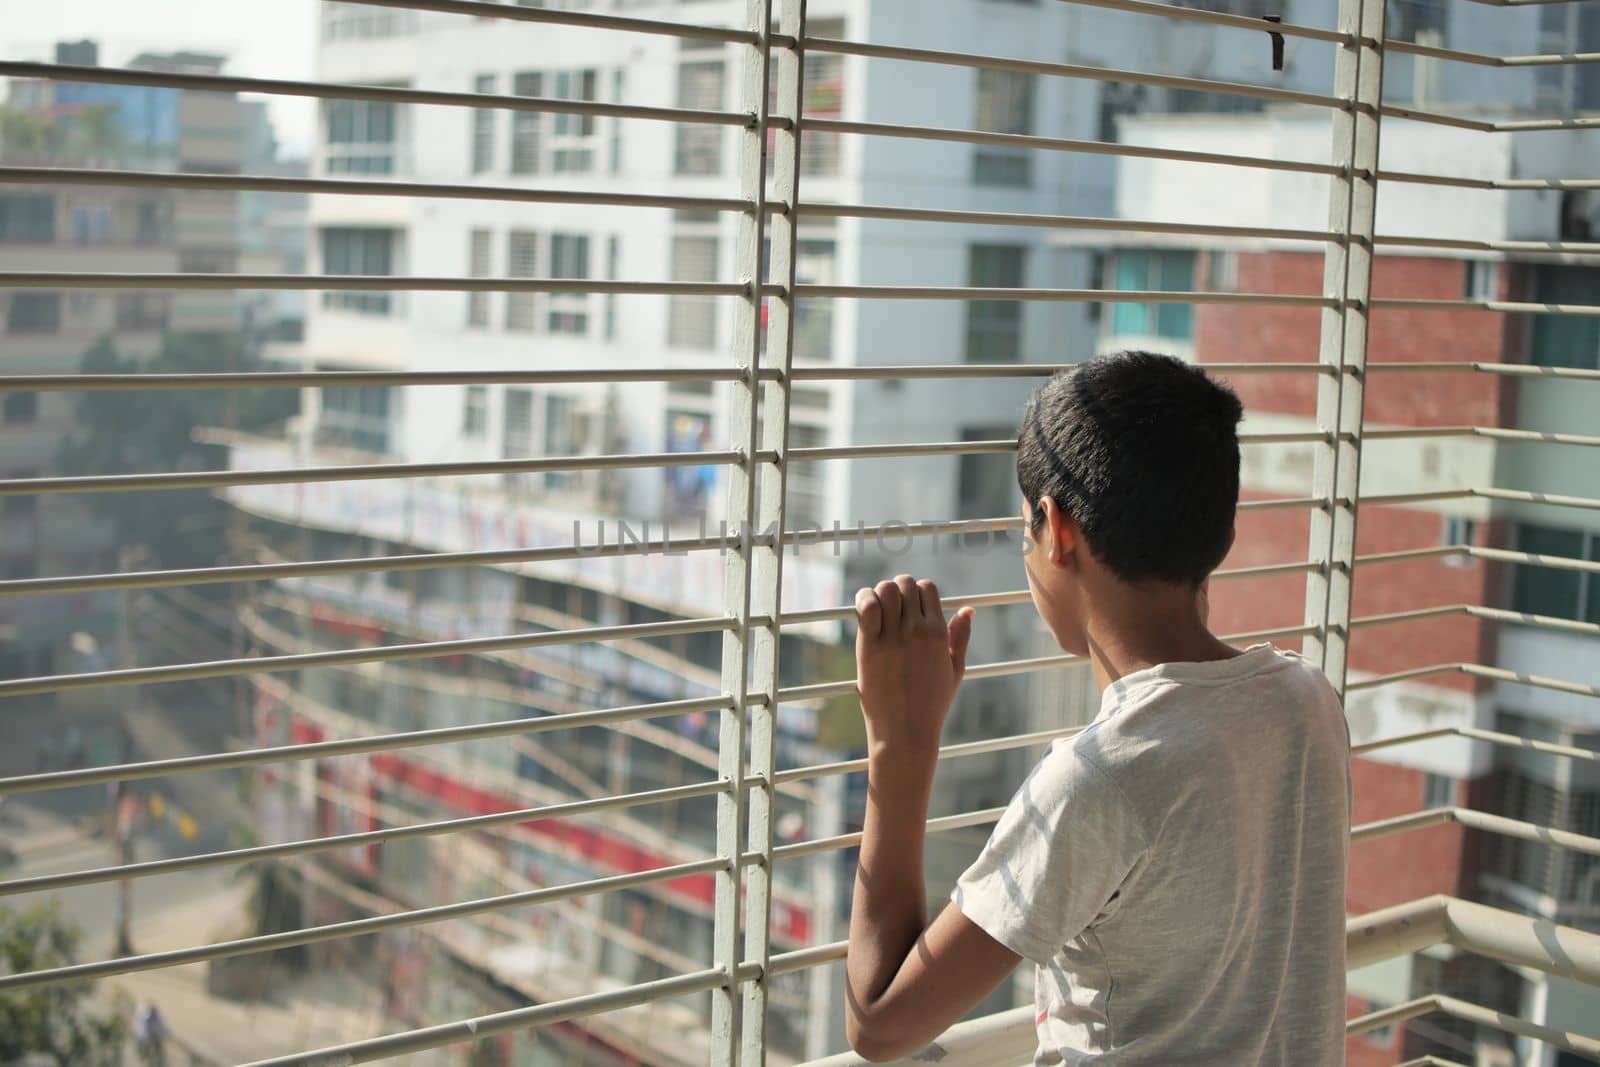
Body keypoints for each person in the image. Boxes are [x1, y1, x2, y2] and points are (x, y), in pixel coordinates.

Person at [843, 351, 1351, 1064]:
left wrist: (902, 743)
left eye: (1026, 529)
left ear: (1059, 529)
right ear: (1222, 533)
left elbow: (879, 1024)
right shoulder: (1308, 702)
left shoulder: (1100, 779)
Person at [134, 1001, 167, 1067]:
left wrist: (162, 1035)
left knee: (158, 1048)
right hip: (145, 1037)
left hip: (153, 1036)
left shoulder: (158, 1017)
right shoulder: (145, 1018)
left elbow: (162, 1027)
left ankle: (159, 1060)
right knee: (146, 1048)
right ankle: (144, 1056)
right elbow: (142, 1030)